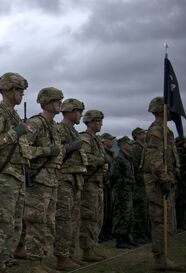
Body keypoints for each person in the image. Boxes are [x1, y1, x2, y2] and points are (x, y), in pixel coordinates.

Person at [0, 72, 30, 272]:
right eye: (19, 90)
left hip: (16, 175)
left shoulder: (13, 114)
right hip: (3, 176)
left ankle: (4, 260)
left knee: (15, 224)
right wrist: (14, 133)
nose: (22, 95)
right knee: (2, 223)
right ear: (9, 91)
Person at [22, 87, 64, 273]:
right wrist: (46, 151)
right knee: (36, 221)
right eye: (56, 100)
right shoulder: (35, 124)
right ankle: (34, 263)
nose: (60, 104)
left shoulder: (54, 126)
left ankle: (41, 260)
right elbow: (24, 150)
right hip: (38, 180)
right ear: (46, 102)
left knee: (48, 222)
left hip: (53, 179)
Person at [142, 97, 186, 271]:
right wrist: (164, 178)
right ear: (161, 110)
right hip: (158, 184)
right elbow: (154, 159)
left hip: (165, 182)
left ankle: (164, 256)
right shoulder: (156, 131)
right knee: (160, 221)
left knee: (167, 220)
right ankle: (160, 259)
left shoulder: (165, 130)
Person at [53, 98, 86, 270]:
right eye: (78, 111)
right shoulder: (60, 129)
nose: (80, 114)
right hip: (64, 178)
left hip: (75, 179)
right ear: (70, 111)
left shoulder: (73, 131)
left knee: (74, 220)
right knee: (64, 219)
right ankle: (62, 256)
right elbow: (58, 152)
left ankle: (70, 254)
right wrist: (72, 147)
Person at [79, 109, 108, 262]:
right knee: (88, 217)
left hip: (97, 183)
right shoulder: (85, 138)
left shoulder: (96, 139)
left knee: (97, 217)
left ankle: (92, 247)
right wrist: (101, 161)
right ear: (89, 122)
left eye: (100, 121)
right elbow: (86, 159)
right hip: (88, 183)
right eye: (97, 121)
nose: (100, 124)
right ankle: (87, 250)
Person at [109, 136, 135, 249]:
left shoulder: (128, 158)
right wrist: (126, 181)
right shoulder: (118, 159)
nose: (131, 146)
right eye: (129, 144)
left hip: (127, 191)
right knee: (120, 215)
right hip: (120, 191)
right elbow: (113, 176)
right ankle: (120, 239)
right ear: (123, 144)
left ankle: (127, 237)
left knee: (128, 215)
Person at [131, 127, 150, 243]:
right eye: (143, 133)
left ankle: (143, 232)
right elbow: (135, 167)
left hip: (143, 184)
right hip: (138, 185)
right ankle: (137, 234)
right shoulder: (136, 148)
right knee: (139, 210)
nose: (145, 135)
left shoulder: (143, 147)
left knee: (144, 210)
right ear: (137, 135)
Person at [99, 133, 115, 243]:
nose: (112, 142)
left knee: (108, 209)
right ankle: (101, 233)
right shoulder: (103, 153)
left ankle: (106, 231)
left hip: (108, 185)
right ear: (104, 141)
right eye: (110, 140)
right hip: (102, 184)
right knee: (102, 209)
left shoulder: (110, 154)